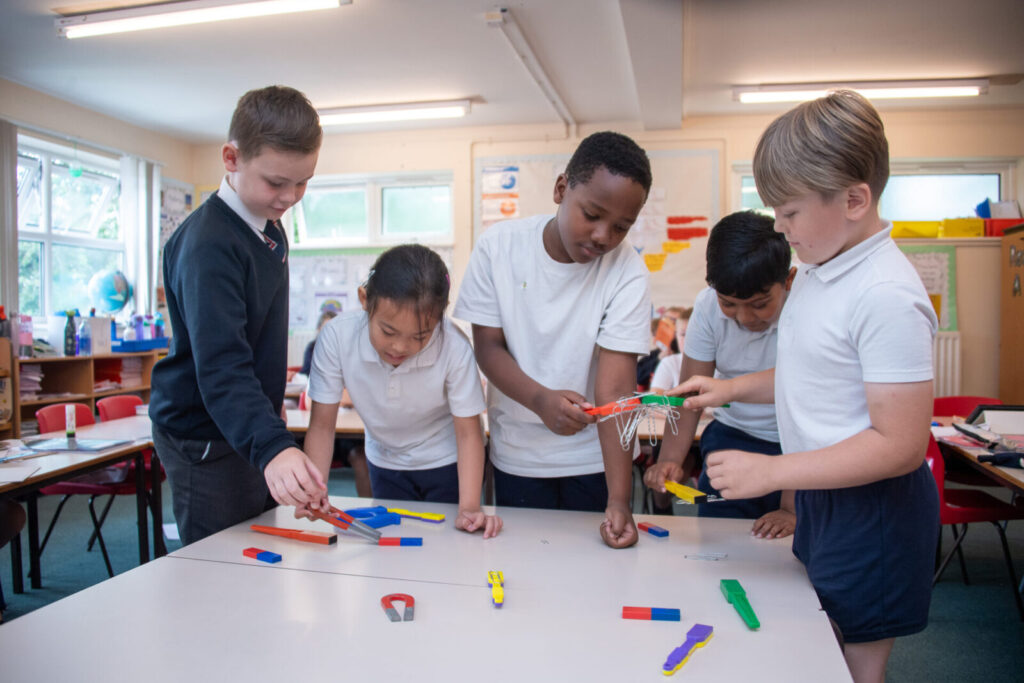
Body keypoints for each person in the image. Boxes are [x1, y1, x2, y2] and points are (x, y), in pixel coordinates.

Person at [672, 91, 939, 683]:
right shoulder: (821, 272)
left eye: (789, 213)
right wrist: (729, 389)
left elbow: (900, 443)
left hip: (873, 512)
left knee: (853, 666)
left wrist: (772, 474)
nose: (780, 227)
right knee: (817, 647)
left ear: (853, 199)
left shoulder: (885, 295)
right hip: (827, 496)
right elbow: (813, 377)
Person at [454, 131, 652, 549]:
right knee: (525, 574)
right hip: (519, 456)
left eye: (621, 226)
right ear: (561, 189)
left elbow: (617, 389)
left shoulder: (627, 270)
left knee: (591, 581)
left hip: (596, 462)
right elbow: (488, 347)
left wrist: (619, 499)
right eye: (592, 214)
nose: (603, 236)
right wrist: (540, 400)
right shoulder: (499, 248)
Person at [150, 85, 328, 545]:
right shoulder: (209, 245)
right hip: (202, 432)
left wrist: (272, 440)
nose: (290, 197)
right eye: (276, 182)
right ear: (231, 158)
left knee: (261, 544)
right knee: (222, 562)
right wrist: (272, 447)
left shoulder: (268, 225)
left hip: (243, 423)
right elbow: (223, 365)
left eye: (303, 181)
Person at [304, 245, 502, 538]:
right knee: (392, 545)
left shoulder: (454, 346)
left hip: (445, 462)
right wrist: (314, 489)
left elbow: (469, 432)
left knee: (446, 546)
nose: (400, 347)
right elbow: (322, 426)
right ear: (364, 300)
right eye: (388, 331)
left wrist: (470, 506)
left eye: (420, 337)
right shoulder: (337, 337)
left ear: (439, 320)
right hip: (384, 460)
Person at [644, 211, 796, 538]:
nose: (743, 317)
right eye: (729, 303)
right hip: (733, 438)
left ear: (789, 281)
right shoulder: (708, 307)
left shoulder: (807, 305)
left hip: (797, 442)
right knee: (723, 539)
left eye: (759, 304)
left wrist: (791, 505)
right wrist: (670, 460)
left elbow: (807, 395)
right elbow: (690, 397)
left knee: (788, 549)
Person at [638, 307, 690, 390]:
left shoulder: (681, 353)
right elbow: (638, 378)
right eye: (665, 320)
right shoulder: (651, 356)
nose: (668, 326)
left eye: (674, 321)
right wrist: (658, 359)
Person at [300, 310, 337, 376]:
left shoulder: (342, 349)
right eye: (325, 328)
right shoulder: (311, 347)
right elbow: (305, 373)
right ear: (319, 329)